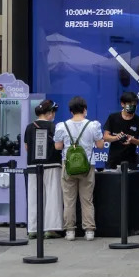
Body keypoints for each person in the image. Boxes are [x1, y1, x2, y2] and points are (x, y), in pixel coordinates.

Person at [54, 96, 105, 242]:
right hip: (87, 165)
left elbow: (58, 146)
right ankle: (89, 231)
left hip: (68, 165)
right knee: (87, 199)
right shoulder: (92, 125)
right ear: (85, 109)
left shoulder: (62, 126)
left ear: (70, 111)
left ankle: (70, 231)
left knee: (69, 200)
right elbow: (100, 145)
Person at [23, 100, 63, 238]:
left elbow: (27, 147)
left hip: (33, 166)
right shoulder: (54, 127)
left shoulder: (29, 127)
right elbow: (59, 145)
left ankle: (33, 228)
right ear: (49, 113)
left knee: (33, 197)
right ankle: (50, 228)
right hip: (52, 164)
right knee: (52, 195)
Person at [103, 91, 139, 170]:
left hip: (131, 162)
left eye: (134, 105)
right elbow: (106, 137)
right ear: (122, 104)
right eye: (129, 105)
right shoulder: (113, 118)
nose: (132, 107)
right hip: (113, 161)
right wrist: (117, 137)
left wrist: (132, 140)